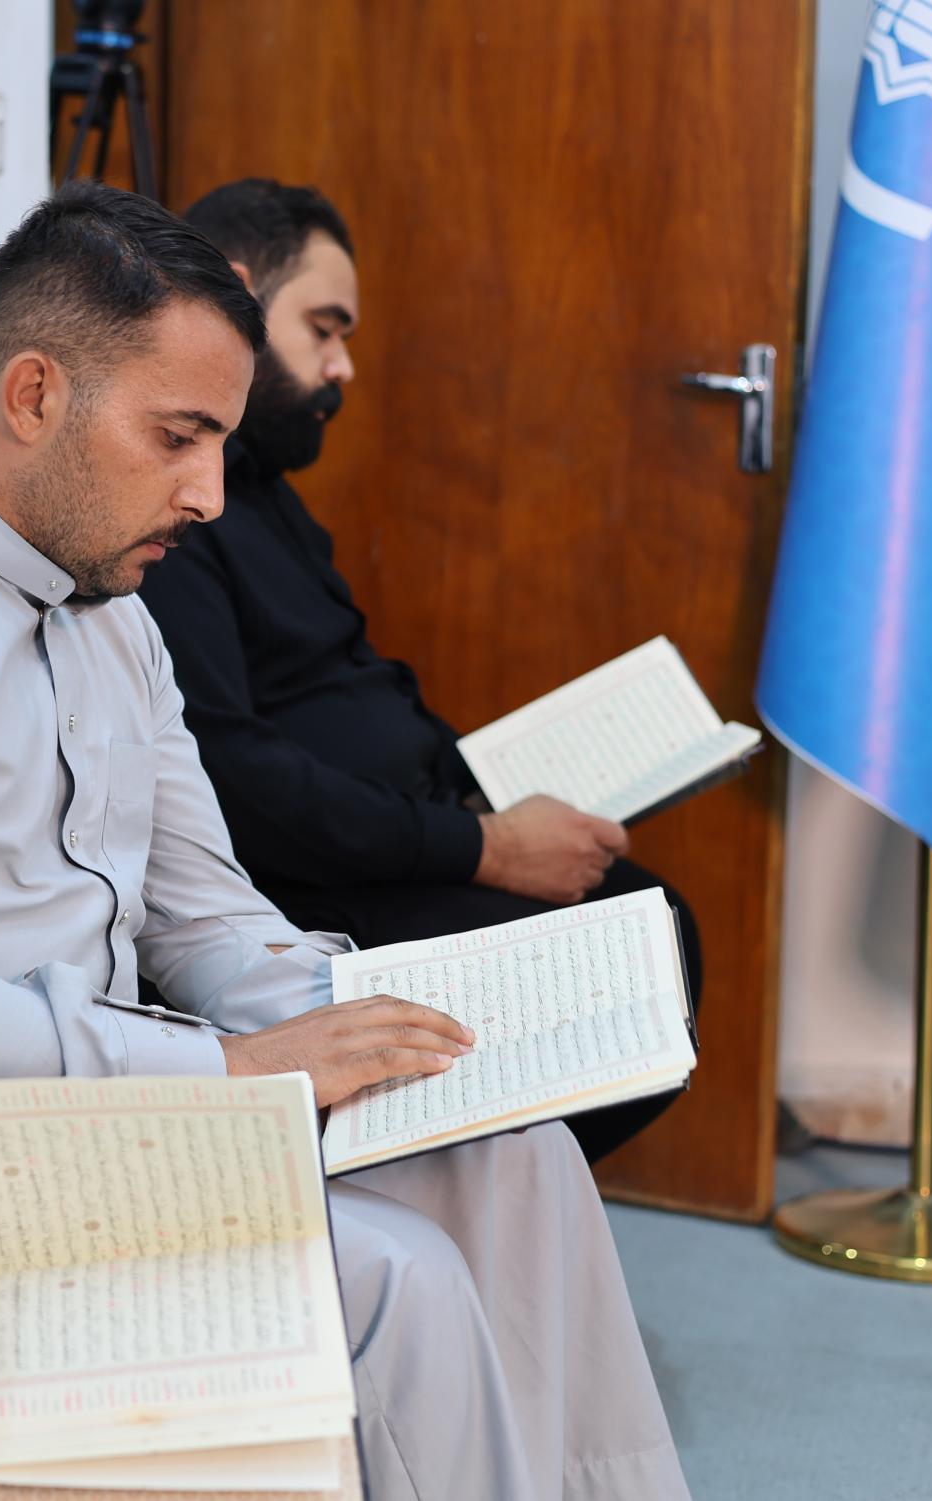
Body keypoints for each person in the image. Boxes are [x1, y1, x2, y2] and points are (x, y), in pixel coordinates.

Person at [0, 180, 691, 1501]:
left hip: (118, 1116)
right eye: (178, 437)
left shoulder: (114, 615)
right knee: (400, 1281)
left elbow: (205, 914)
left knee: (512, 1148)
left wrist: (391, 1013)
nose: (208, 495)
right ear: (34, 395)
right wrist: (231, 1068)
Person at [138, 177, 702, 1163]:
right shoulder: (180, 510)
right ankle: (465, 1193)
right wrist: (484, 846)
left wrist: (493, 784)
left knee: (646, 918)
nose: (342, 365)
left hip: (410, 821)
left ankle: (503, 1201)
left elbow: (351, 687)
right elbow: (236, 775)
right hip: (320, 881)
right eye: (324, 328)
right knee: (632, 945)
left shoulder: (266, 493)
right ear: (234, 292)